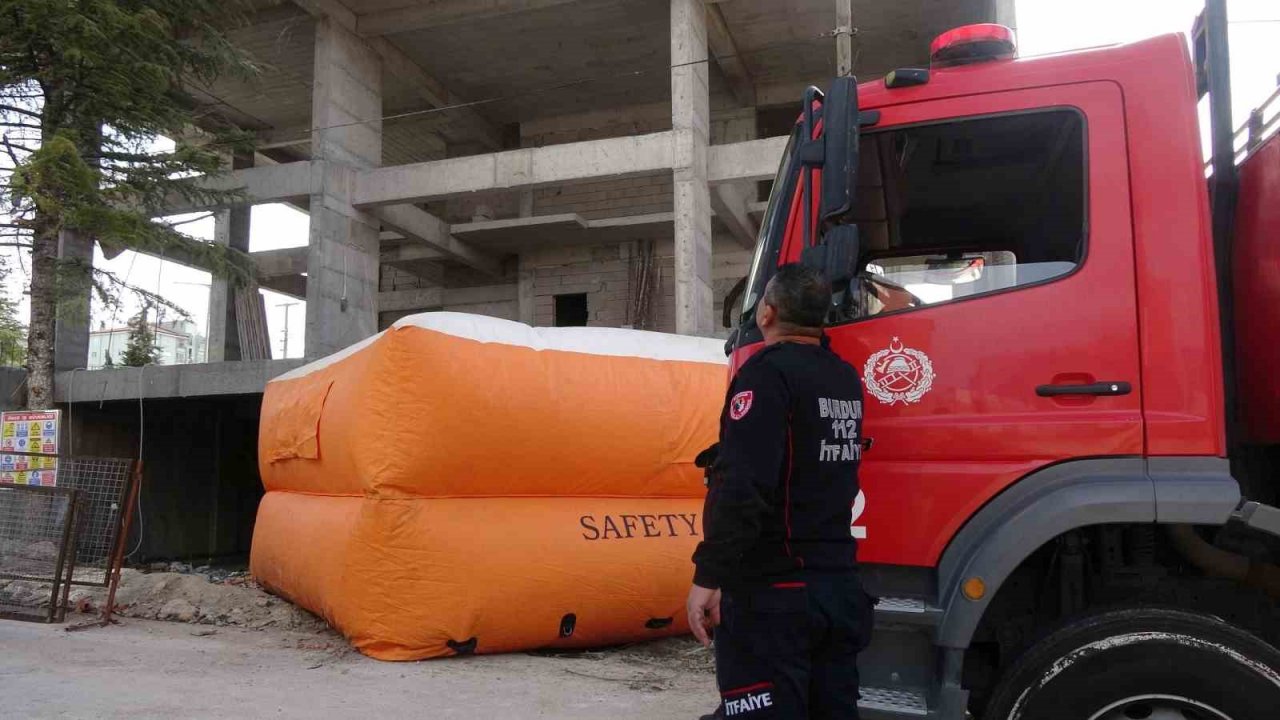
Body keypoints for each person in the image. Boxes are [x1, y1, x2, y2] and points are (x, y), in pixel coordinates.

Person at [687, 263, 874, 720]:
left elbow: (743, 485)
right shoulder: (844, 377)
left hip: (777, 594)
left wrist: (709, 576)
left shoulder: (766, 375)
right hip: (839, 589)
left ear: (766, 313)